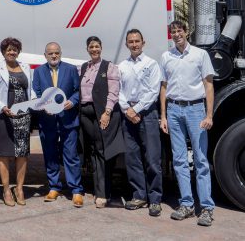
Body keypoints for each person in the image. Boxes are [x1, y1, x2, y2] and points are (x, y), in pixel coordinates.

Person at [159, 20, 216, 227]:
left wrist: (209, 115)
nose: (176, 34)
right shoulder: (166, 57)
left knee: (201, 160)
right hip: (173, 110)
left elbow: (208, 85)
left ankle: (207, 208)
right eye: (173, 32)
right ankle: (187, 204)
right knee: (180, 160)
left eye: (179, 30)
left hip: (195, 110)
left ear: (186, 32)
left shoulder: (200, 55)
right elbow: (163, 87)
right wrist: (163, 115)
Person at [32, 42, 84, 208]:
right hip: (47, 120)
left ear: (60, 53)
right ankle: (54, 187)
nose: (54, 56)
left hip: (68, 119)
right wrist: (43, 106)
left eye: (56, 53)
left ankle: (76, 190)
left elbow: (78, 91)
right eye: (50, 53)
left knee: (71, 155)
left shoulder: (70, 69)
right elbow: (37, 93)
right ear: (45, 55)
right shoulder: (39, 72)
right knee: (50, 155)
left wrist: (73, 101)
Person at [0, 37, 35, 207]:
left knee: (22, 154)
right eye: (9, 50)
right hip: (3, 115)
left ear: (18, 52)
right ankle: (6, 189)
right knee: (4, 153)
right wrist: (3, 107)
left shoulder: (26, 68)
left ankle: (19, 188)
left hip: (23, 116)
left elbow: (31, 90)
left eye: (14, 49)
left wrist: (37, 102)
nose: (12, 52)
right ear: (4, 52)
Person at [118, 29, 163, 217]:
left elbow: (154, 91)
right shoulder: (122, 66)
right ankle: (139, 195)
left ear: (143, 43)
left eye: (137, 41)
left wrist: (135, 110)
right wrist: (127, 109)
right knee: (132, 157)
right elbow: (118, 90)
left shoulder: (151, 64)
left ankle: (155, 199)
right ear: (126, 44)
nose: (134, 44)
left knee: (152, 158)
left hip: (147, 113)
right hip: (128, 114)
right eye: (131, 41)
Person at [79, 35, 122, 208]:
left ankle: (103, 193)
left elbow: (114, 92)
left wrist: (107, 112)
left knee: (102, 151)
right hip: (85, 114)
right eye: (91, 47)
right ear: (87, 49)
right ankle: (98, 189)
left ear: (101, 48)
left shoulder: (109, 67)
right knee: (92, 151)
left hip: (101, 114)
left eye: (97, 46)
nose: (94, 49)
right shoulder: (83, 67)